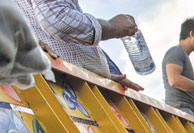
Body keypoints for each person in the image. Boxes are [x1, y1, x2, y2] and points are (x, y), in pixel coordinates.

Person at [14, 0, 143, 90]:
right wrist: (113, 27)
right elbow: (57, 20)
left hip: (70, 86)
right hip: (65, 89)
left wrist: (103, 78)